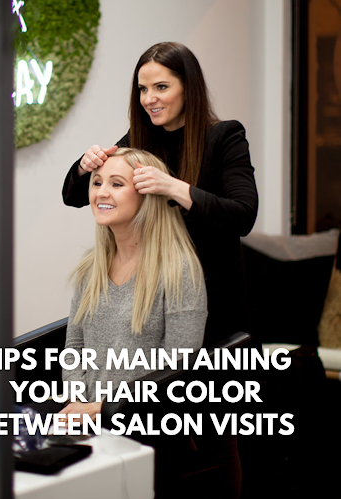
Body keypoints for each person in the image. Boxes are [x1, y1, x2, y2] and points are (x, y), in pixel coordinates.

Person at [63, 41, 258, 345]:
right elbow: (74, 196)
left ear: (188, 88)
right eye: (143, 89)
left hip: (214, 295)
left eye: (161, 87)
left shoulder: (224, 137)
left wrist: (172, 186)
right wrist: (83, 167)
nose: (149, 98)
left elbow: (243, 216)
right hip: (156, 295)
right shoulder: (141, 139)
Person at [59, 147, 207, 422]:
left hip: (143, 424)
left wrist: (101, 409)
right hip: (85, 417)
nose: (102, 193)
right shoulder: (92, 265)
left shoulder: (179, 270)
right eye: (97, 182)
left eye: (117, 184)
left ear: (147, 195)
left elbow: (177, 368)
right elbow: (74, 346)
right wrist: (77, 401)